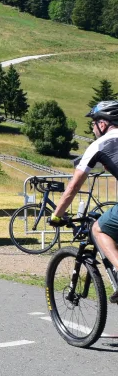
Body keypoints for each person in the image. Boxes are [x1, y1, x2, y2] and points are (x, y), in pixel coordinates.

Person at [51, 101, 118, 301]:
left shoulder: (99, 145)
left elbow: (72, 187)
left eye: (93, 123)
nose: (92, 128)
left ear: (103, 124)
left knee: (98, 229)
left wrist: (57, 215)